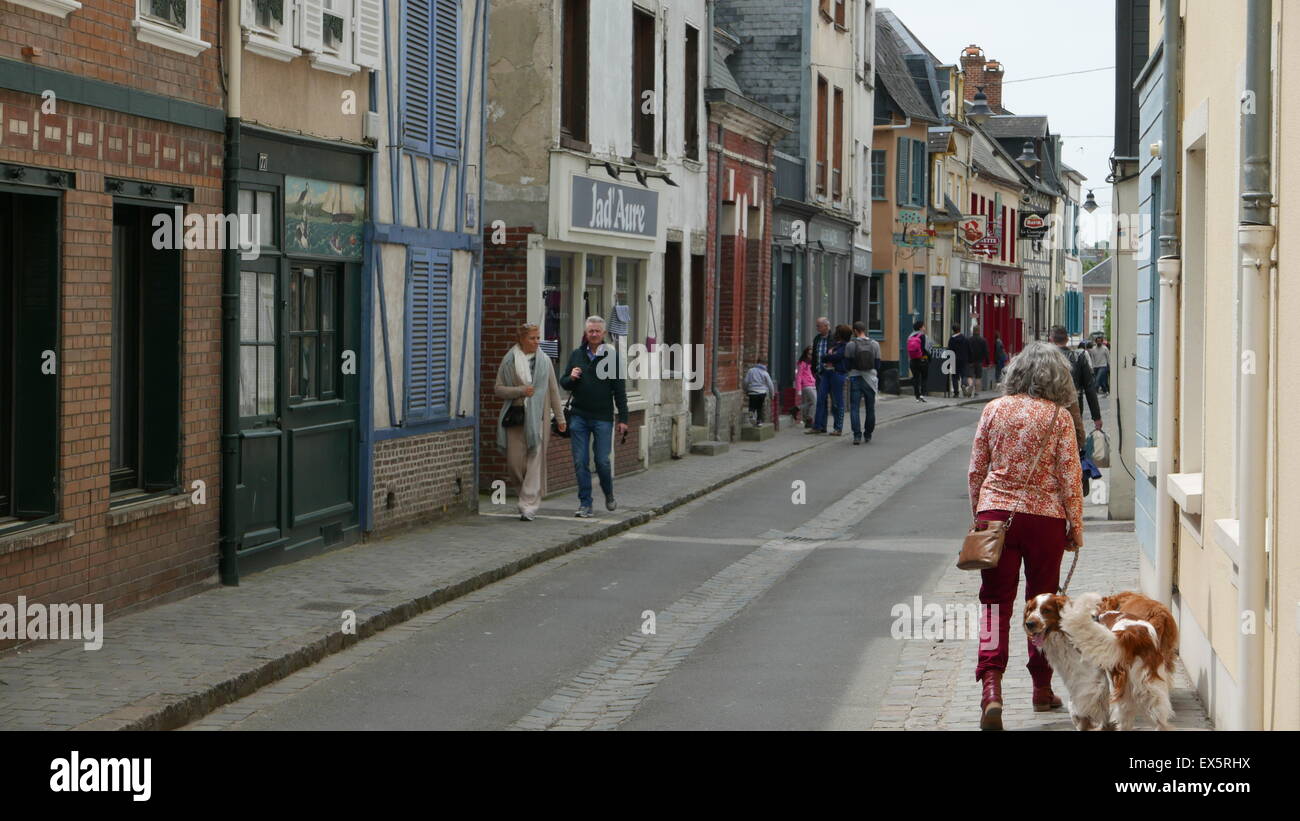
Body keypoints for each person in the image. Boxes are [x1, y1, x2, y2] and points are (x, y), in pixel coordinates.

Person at [967, 341, 1085, 731]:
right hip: (1045, 521)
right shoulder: (1059, 417)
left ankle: (990, 689)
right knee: (1043, 606)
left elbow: (976, 471)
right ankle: (1041, 688)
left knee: (993, 606)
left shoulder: (993, 410)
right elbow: (1070, 478)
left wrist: (981, 518)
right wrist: (1075, 528)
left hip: (996, 515)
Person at [494, 323, 567, 521]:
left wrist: (560, 418)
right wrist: (519, 390)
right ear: (521, 339)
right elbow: (498, 389)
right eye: (532, 338)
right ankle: (524, 496)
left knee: (534, 463)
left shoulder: (545, 362)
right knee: (515, 464)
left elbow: (553, 391)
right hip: (516, 419)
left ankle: (528, 505)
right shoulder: (509, 360)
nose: (536, 342)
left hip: (539, 420)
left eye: (538, 338)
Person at [559, 316, 629, 518]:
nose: (594, 334)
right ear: (586, 333)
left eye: (598, 331)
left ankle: (608, 493)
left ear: (604, 334)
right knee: (580, 461)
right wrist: (571, 377)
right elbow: (564, 383)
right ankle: (585, 504)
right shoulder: (576, 355)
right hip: (579, 416)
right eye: (591, 331)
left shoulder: (612, 358)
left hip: (602, 418)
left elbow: (620, 391)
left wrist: (623, 419)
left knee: (602, 461)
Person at [1050, 325, 1102, 450]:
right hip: (1074, 407)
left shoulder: (1045, 359)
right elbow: (1090, 388)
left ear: (1051, 339)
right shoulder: (1079, 358)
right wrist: (1096, 417)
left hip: (1049, 408)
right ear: (1067, 339)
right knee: (1071, 443)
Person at [845, 321, 880, 445]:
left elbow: (847, 364)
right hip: (870, 379)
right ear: (865, 330)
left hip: (855, 378)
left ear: (855, 331)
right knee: (870, 408)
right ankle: (868, 434)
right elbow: (877, 364)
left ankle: (857, 436)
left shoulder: (850, 345)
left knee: (854, 408)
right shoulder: (875, 344)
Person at [815, 325, 852, 436]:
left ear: (840, 334)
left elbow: (837, 357)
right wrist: (829, 356)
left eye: (837, 332)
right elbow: (824, 357)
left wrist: (829, 356)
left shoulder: (846, 346)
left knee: (837, 401)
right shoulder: (836, 345)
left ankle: (838, 428)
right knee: (821, 398)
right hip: (827, 373)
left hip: (838, 374)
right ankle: (817, 425)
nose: (835, 333)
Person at [806, 317, 834, 434]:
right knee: (821, 401)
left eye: (819, 326)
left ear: (826, 326)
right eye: (817, 325)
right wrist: (814, 369)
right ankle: (819, 426)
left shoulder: (833, 339)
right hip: (819, 373)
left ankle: (835, 427)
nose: (817, 328)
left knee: (834, 401)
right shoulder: (817, 338)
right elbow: (815, 355)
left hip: (831, 373)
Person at [744, 358, 776, 426]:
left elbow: (746, 381)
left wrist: (746, 389)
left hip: (752, 391)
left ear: (757, 362)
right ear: (765, 364)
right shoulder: (765, 373)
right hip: (762, 392)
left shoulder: (751, 371)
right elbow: (770, 384)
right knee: (759, 407)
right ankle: (759, 421)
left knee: (752, 405)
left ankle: (751, 414)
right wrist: (772, 394)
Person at [906, 321, 933, 403]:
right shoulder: (924, 336)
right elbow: (928, 348)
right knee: (924, 377)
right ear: (921, 328)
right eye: (924, 326)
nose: (924, 328)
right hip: (923, 360)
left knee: (916, 378)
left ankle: (917, 396)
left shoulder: (910, 336)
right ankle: (922, 394)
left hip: (913, 360)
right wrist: (929, 358)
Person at [947, 324, 970, 398]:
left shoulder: (952, 339)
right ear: (959, 329)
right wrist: (970, 359)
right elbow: (969, 350)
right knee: (964, 374)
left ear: (953, 330)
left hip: (954, 360)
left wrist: (948, 361)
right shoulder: (965, 339)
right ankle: (963, 384)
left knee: (954, 376)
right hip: (964, 360)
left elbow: (950, 351)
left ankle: (956, 392)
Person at [795, 347, 816, 427]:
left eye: (812, 354)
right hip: (806, 385)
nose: (810, 356)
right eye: (809, 354)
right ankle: (810, 419)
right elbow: (798, 376)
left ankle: (797, 408)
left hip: (813, 384)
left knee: (811, 403)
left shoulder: (811, 363)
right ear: (805, 354)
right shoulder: (802, 363)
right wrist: (799, 389)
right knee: (815, 402)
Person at [968, 328, 989, 397]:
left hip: (970, 361)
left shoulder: (969, 340)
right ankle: (976, 392)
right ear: (978, 331)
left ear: (973, 331)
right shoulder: (983, 340)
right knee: (978, 377)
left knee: (970, 376)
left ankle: (970, 385)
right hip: (979, 361)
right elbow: (986, 352)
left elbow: (966, 350)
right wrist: (987, 361)